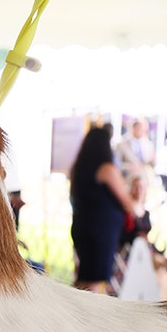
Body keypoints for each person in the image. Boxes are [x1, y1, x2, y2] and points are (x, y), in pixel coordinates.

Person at [69, 123, 137, 294]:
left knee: (84, 277)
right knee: (93, 282)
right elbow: (128, 203)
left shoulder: (78, 169)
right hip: (100, 232)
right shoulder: (107, 169)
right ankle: (85, 318)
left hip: (82, 226)